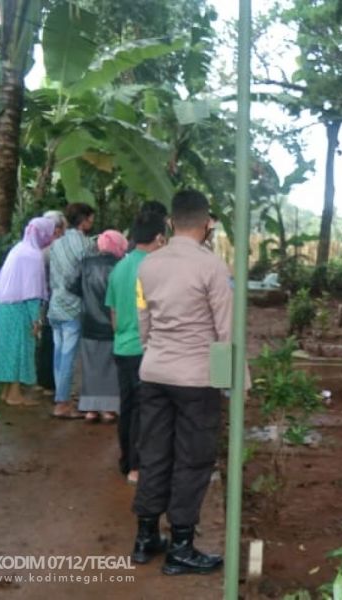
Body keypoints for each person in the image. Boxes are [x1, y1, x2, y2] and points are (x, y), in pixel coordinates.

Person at [131, 190, 231, 575]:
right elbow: (225, 329)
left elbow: (143, 320)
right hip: (196, 378)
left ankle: (145, 538)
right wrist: (232, 381)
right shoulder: (212, 267)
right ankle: (181, 548)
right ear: (207, 224)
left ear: (171, 223)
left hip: (154, 371)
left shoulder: (148, 265)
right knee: (193, 459)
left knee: (154, 453)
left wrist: (154, 354)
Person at [106, 213, 167, 484]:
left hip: (122, 347)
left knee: (128, 407)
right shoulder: (157, 268)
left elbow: (114, 314)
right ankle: (137, 467)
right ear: (159, 237)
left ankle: (126, 461)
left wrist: (122, 335)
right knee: (146, 411)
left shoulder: (119, 267)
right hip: (146, 349)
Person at [0, 217, 56, 407]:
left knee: (8, 349)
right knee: (19, 348)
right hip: (19, 309)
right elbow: (32, 292)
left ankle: (7, 391)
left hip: (3, 306)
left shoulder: (19, 249)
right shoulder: (33, 256)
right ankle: (15, 394)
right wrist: (36, 320)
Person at [47, 203, 95, 419]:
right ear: (83, 221)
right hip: (73, 305)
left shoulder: (56, 243)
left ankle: (61, 396)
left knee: (58, 354)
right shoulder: (86, 245)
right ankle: (62, 402)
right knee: (68, 356)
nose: (91, 223)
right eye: (90, 219)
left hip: (55, 303)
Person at [76, 230, 128, 423]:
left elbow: (73, 287)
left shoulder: (85, 264)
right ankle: (108, 409)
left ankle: (90, 409)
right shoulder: (120, 266)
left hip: (89, 322)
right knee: (111, 368)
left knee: (90, 367)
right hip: (112, 324)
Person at [37, 211, 67, 394]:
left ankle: (44, 381)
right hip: (54, 300)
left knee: (47, 340)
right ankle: (51, 382)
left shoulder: (41, 250)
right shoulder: (54, 250)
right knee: (53, 341)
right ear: (57, 230)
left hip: (45, 300)